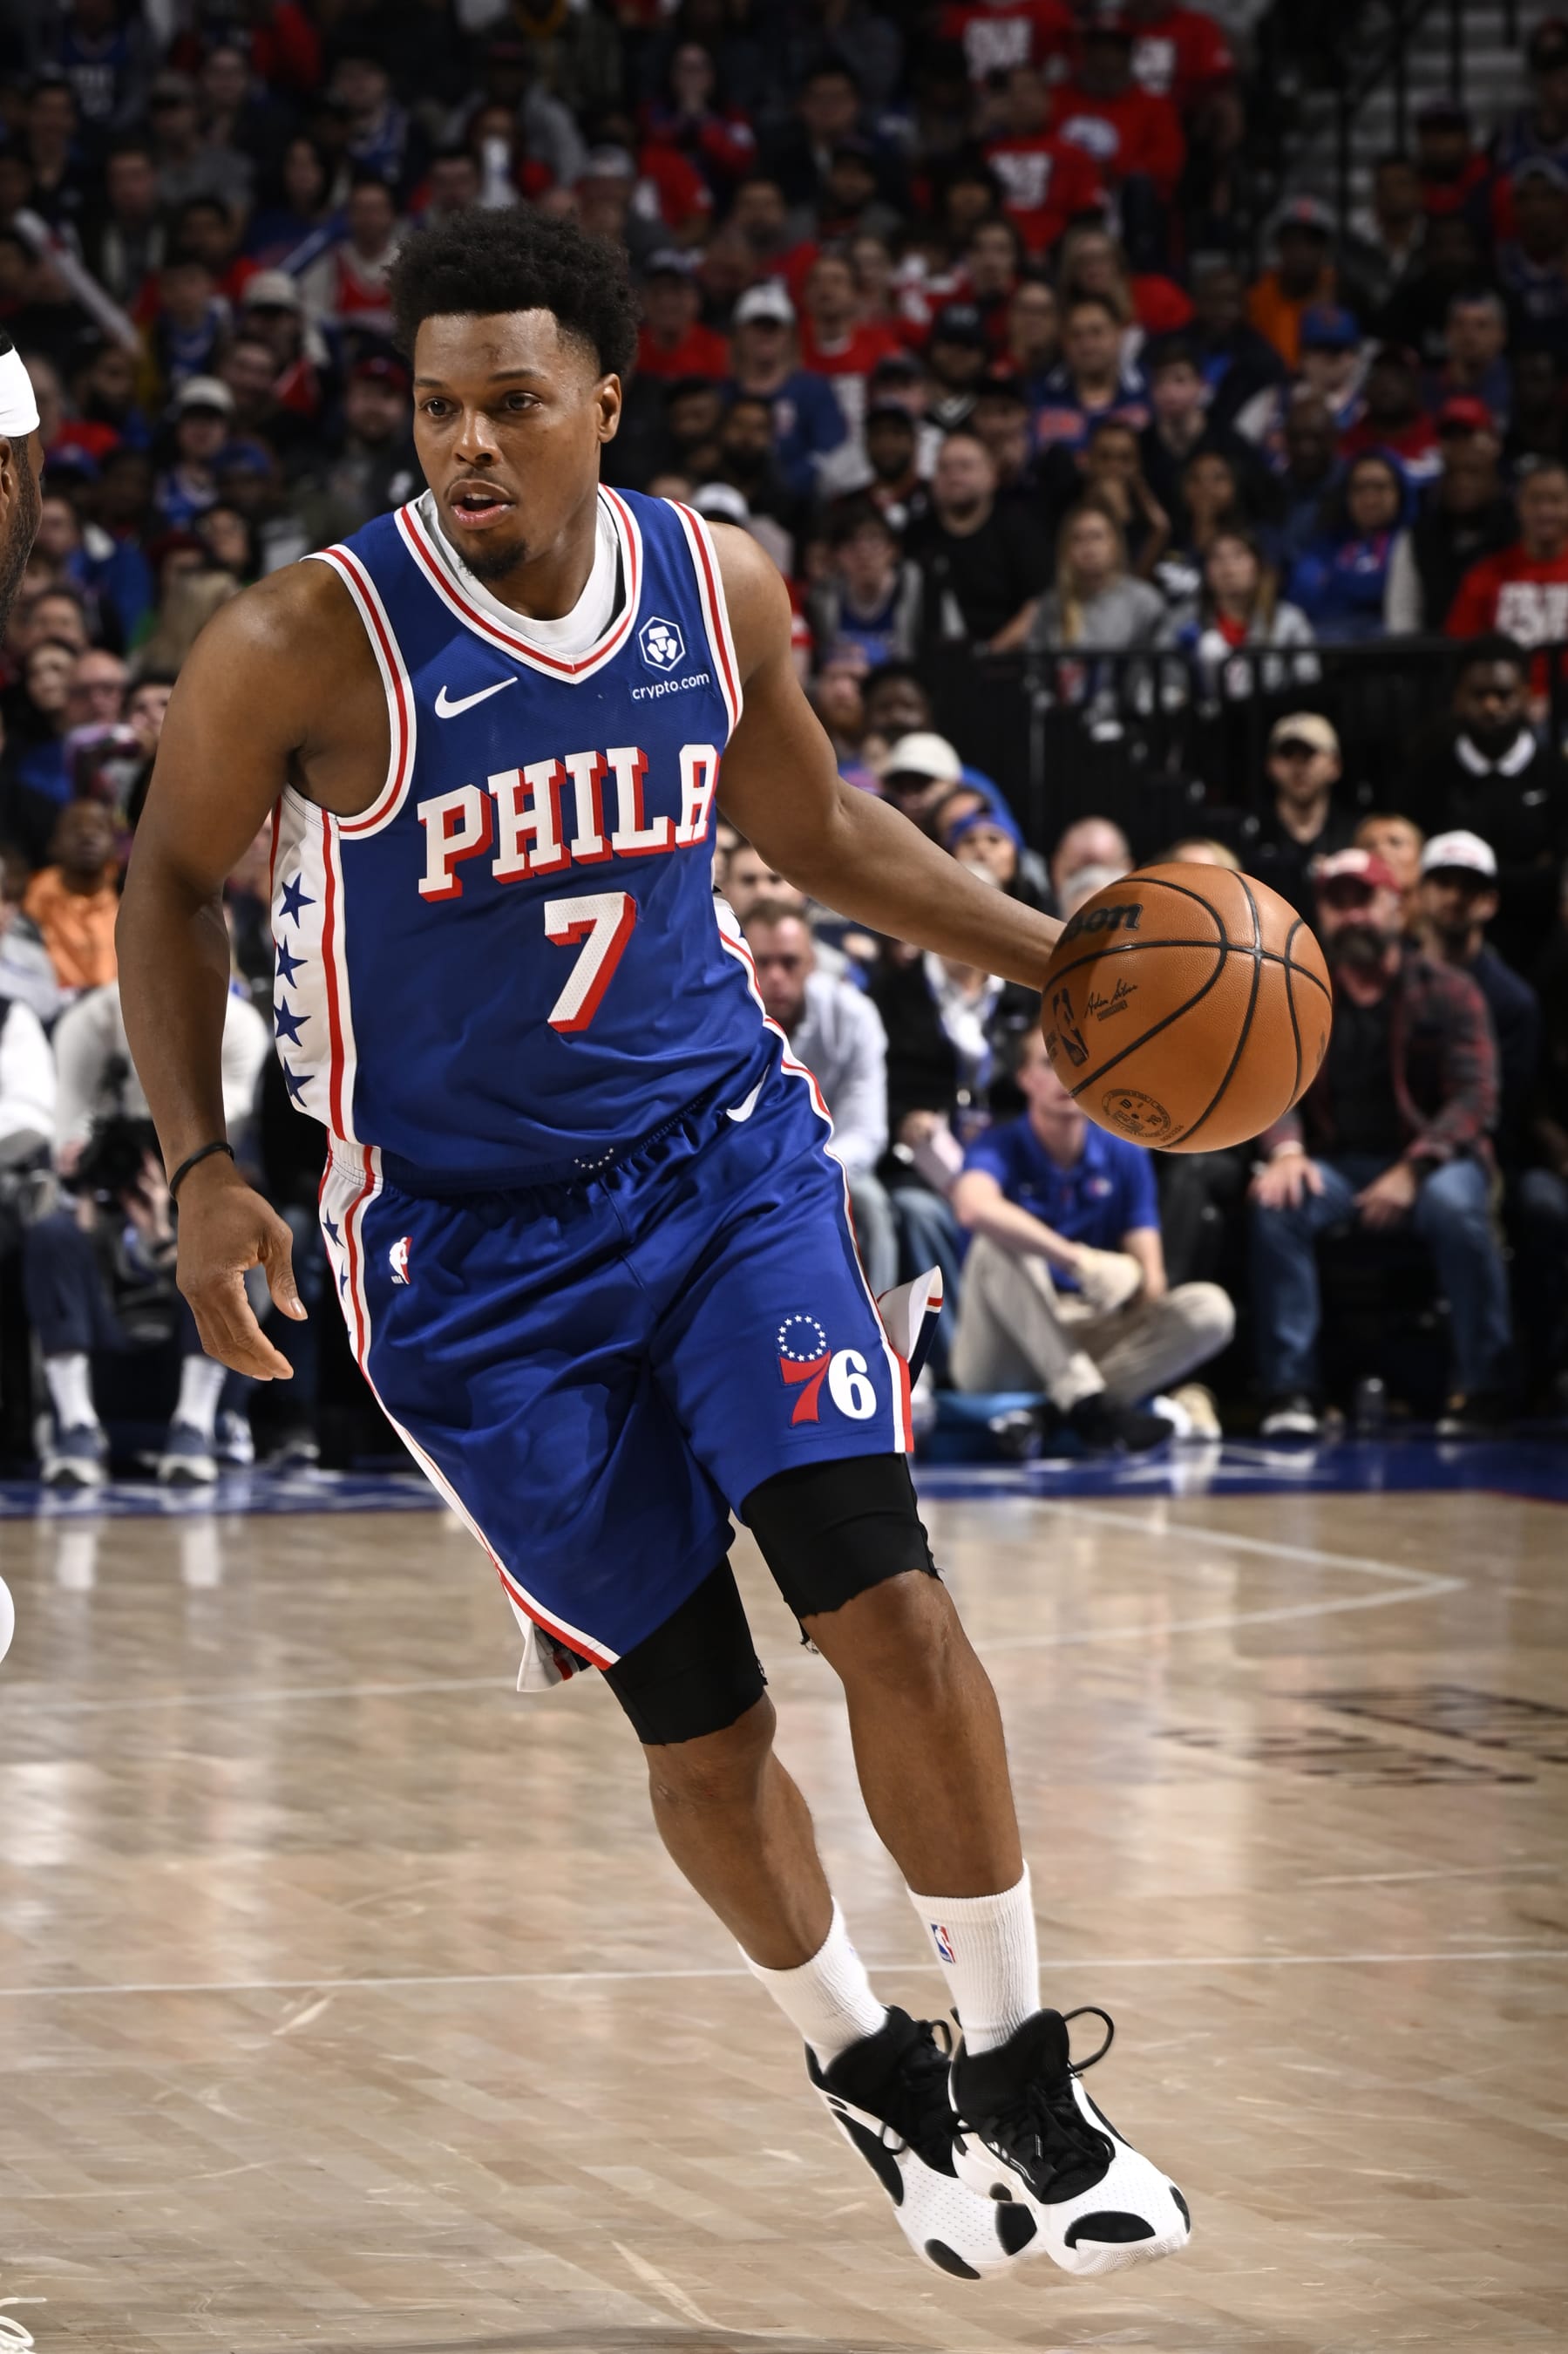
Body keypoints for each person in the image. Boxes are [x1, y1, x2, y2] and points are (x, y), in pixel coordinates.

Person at [116, 208, 1190, 2283]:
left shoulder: (716, 587)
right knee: (702, 1725)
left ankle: (1019, 2069)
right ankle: (863, 2060)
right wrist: (197, 1164)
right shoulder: (303, 640)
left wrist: (1061, 962)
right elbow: (167, 880)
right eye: (436, 405)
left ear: (606, 402)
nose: (469, 442)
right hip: (464, 1260)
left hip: (717, 1167)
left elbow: (818, 830)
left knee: (887, 1605)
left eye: (515, 402)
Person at [1249, 847, 1512, 1438]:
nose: (1352, 916)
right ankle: (1291, 1391)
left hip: (1433, 1161)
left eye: (1363, 900)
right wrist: (1285, 1150)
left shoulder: (1449, 989)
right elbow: (1271, 1084)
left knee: (1455, 1208)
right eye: (1337, 903)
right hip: (1339, 1164)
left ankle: (1483, 1389)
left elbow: (1475, 1099)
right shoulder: (1299, 993)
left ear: (1398, 906)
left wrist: (1413, 1169)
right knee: (1277, 1203)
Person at [23, 972, 269, 1487]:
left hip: (189, 1320)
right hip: (103, 1332)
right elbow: (68, 1147)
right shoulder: (87, 1025)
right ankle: (76, 1426)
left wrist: (162, 1230)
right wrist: (85, 1193)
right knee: (51, 1234)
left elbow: (225, 1140)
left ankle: (195, 1425)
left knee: (231, 1244)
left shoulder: (241, 1029)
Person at [950, 1031, 1233, 1449]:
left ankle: (1054, 1413)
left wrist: (1132, 1277)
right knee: (996, 1242)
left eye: (1077, 1063)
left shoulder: (1126, 1153)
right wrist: (1076, 1261)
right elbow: (973, 1208)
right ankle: (1085, 1402)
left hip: (1088, 1329)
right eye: (1050, 1064)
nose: (1066, 1077)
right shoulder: (998, 1145)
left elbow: (1153, 1284)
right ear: (1025, 1078)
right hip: (1005, 1346)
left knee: (1210, 1309)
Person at [743, 898, 896, 1296]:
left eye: (789, 962)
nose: (776, 976)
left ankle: (877, 1324)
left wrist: (802, 1174)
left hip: (830, 1165)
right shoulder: (716, 1019)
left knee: (870, 1202)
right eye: (763, 962)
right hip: (741, 1170)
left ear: (812, 962)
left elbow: (866, 1132)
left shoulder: (853, 1016)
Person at [1408, 636, 1568, 973]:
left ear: (1526, 696)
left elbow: (1557, 876)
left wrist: (1462, 879)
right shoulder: (1428, 771)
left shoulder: (1555, 773)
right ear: (1458, 698)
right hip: (1443, 949)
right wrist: (1530, 872)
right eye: (1479, 695)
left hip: (1540, 946)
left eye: (1503, 694)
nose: (1492, 706)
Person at [1417, 830, 1542, 1168]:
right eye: (1443, 883)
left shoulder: (1515, 1001)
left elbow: (1507, 1108)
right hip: (1391, 1146)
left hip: (1474, 1154)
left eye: (1469, 887)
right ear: (1420, 892)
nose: (1454, 896)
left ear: (1491, 902)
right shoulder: (1391, 979)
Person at [907, 429, 1048, 655]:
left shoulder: (1019, 529)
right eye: (944, 468)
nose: (954, 476)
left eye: (965, 467)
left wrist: (990, 653)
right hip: (929, 661)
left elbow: (1038, 605)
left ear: (991, 475)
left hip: (1006, 661)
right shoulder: (916, 533)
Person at [1384, 405, 1517, 632]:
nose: (1461, 483)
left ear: (1495, 482)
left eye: (1473, 473)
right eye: (1452, 474)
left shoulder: (1517, 534)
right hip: (1432, 649)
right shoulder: (1418, 537)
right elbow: (1402, 618)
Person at [1446, 456, 1568, 664]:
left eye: (1556, 500)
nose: (1545, 511)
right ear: (1518, 505)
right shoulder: (1484, 575)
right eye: (1535, 500)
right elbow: (1462, 652)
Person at [1239, 712, 1354, 919]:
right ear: (1270, 765)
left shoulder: (1356, 835)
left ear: (1335, 765)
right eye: (1288, 754)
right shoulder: (1248, 835)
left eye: (1309, 754)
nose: (1298, 766)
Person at [1286, 451, 1408, 643]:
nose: (1370, 498)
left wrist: (1333, 582)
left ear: (1399, 491)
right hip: (1327, 648)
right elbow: (1301, 593)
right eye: (1359, 488)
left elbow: (1393, 596)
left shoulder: (1410, 541)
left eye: (1380, 487)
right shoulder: (1327, 543)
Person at [1028, 498, 1165, 653]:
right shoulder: (1051, 605)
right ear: (1065, 549)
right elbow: (1035, 663)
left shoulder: (1145, 602)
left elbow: (1161, 661)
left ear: (1116, 544)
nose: (1088, 547)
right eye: (1077, 539)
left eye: (1097, 536)